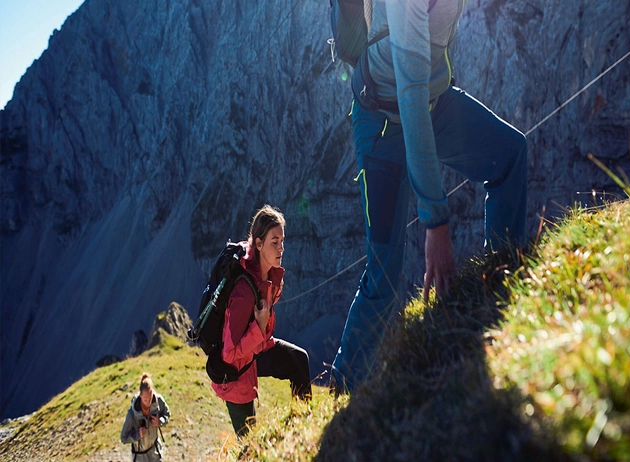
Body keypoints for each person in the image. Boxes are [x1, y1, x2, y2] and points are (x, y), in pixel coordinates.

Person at [331, 0, 528, 393]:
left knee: (510, 153)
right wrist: (434, 222)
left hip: (434, 102)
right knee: (384, 275)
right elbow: (411, 95)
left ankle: (498, 288)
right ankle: (344, 387)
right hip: (383, 123)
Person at [211, 204, 312, 437]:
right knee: (249, 445)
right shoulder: (243, 293)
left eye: (282, 241)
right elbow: (230, 354)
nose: (281, 248)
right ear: (258, 244)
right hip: (235, 374)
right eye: (274, 242)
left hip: (256, 351)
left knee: (299, 361)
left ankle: (304, 430)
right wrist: (258, 326)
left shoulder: (267, 274)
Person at [120, 372, 171, 461]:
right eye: (145, 399)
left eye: (150, 398)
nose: (148, 402)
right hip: (140, 457)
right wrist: (137, 434)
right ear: (140, 396)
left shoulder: (158, 401)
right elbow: (123, 438)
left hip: (155, 453)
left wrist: (160, 421)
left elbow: (167, 414)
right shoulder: (132, 414)